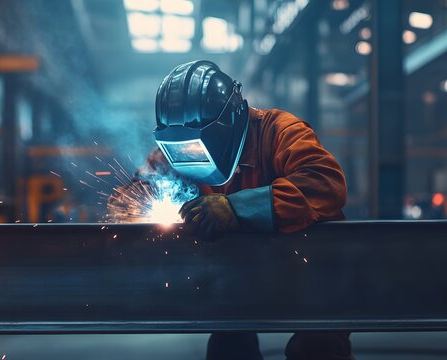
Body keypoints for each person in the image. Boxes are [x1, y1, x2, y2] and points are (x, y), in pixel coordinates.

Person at [148, 60, 351, 360]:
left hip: (311, 275)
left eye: (194, 146)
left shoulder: (281, 131)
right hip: (238, 279)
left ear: (227, 124)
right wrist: (151, 200)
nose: (188, 156)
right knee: (227, 348)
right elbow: (135, 192)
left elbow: (326, 182)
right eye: (179, 148)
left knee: (316, 349)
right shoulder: (176, 150)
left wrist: (237, 209)